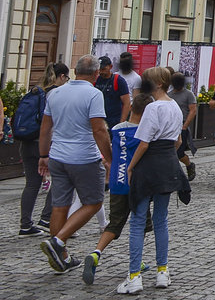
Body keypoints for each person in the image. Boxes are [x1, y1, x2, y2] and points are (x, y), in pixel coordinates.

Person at [118, 67, 190, 294]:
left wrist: (130, 167)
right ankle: (162, 271)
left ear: (158, 84)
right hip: (168, 164)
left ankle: (134, 277)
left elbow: (144, 143)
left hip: (149, 166)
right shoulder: (176, 108)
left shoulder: (152, 108)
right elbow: (178, 141)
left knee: (138, 221)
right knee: (161, 220)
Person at [38, 54, 112, 274]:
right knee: (94, 202)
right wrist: (108, 157)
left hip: (58, 156)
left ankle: (62, 256)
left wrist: (43, 154)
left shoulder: (55, 93)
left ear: (75, 70)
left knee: (60, 205)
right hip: (83, 157)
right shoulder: (93, 94)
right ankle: (58, 241)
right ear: (96, 73)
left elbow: (45, 128)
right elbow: (98, 129)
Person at [83, 92, 151, 286]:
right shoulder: (144, 133)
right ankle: (136, 260)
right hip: (137, 184)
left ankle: (96, 253)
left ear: (131, 108)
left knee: (114, 224)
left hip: (117, 182)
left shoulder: (117, 129)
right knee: (140, 224)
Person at [17, 62, 67, 236]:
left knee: (31, 184)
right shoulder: (57, 94)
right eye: (67, 77)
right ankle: (46, 218)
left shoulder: (35, 91)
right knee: (62, 179)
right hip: (45, 144)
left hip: (26, 142)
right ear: (62, 77)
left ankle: (25, 225)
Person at [167, 73, 198, 181]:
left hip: (182, 126)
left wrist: (185, 126)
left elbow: (193, 110)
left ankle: (189, 165)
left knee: (179, 153)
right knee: (171, 151)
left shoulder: (188, 94)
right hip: (170, 126)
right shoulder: (169, 95)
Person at [94, 58, 130, 132]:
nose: (101, 72)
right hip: (98, 118)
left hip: (114, 120)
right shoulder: (95, 80)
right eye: (99, 69)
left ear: (110, 67)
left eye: (103, 69)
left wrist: (121, 123)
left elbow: (127, 103)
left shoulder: (119, 81)